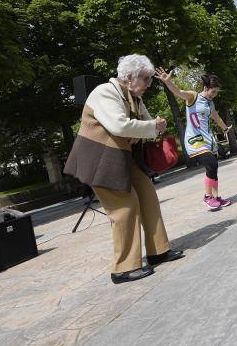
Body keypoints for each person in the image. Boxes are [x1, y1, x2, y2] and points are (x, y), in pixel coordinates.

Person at [63, 54, 183, 284]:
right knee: (124, 209)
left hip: (123, 159)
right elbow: (120, 125)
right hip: (101, 162)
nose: (149, 84)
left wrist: (151, 128)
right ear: (129, 77)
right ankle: (123, 268)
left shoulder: (135, 96)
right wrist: (146, 128)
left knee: (148, 196)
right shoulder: (104, 92)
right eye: (146, 79)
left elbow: (149, 125)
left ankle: (158, 251)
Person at [156, 70, 233, 210]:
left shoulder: (210, 104)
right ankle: (208, 197)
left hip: (208, 140)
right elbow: (178, 92)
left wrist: (225, 128)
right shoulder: (193, 96)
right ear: (206, 88)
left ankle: (215, 197)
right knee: (211, 162)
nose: (214, 95)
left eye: (217, 93)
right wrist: (167, 81)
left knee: (213, 168)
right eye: (213, 92)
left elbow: (216, 117)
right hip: (195, 140)